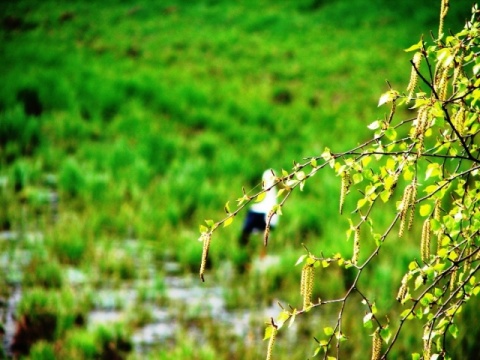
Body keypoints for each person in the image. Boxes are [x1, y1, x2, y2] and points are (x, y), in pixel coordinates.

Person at [239, 169, 279, 247]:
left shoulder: (255, 208)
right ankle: (261, 254)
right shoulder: (271, 205)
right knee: (264, 240)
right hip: (262, 220)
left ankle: (257, 253)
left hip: (257, 216)